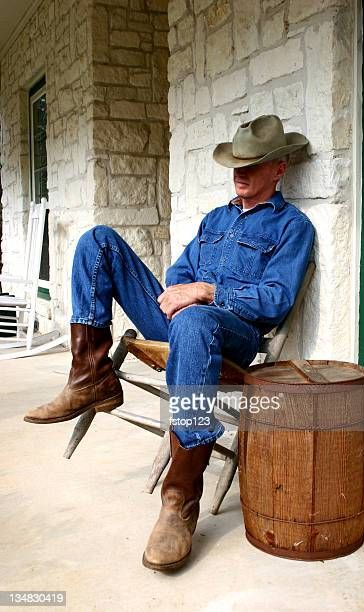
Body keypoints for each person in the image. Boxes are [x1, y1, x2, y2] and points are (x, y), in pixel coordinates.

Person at [23, 115, 315, 571]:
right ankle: (90, 375)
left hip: (232, 333)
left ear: (279, 169)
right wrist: (180, 293)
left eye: (254, 163)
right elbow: (180, 274)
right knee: (98, 241)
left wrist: (206, 293)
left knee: (197, 319)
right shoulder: (216, 219)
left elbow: (275, 301)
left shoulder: (291, 227)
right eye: (236, 161)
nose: (241, 171)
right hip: (183, 320)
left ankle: (179, 499)